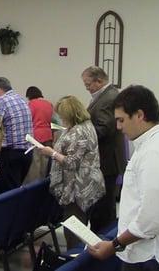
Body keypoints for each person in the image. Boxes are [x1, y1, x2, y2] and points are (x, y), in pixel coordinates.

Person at [88, 85, 159, 271]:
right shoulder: (156, 140)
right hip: (147, 251)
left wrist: (113, 246)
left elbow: (150, 220)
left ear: (140, 115)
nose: (118, 127)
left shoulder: (155, 152)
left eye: (121, 120)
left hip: (151, 255)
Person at [39, 95, 105, 249]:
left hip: (77, 188)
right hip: (86, 182)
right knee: (79, 225)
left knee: (73, 229)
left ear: (69, 114)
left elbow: (71, 163)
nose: (60, 118)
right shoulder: (87, 125)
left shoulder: (78, 132)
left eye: (62, 116)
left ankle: (75, 260)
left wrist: (52, 153)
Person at [81, 66, 125, 233]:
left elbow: (104, 128)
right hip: (106, 158)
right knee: (103, 206)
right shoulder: (105, 95)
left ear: (99, 81)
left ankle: (102, 242)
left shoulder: (108, 98)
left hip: (106, 160)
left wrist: (80, 134)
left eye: (88, 84)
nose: (87, 88)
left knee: (103, 209)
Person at [0, 77, 33, 193]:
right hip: (27, 153)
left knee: (6, 193)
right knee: (15, 190)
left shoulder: (2, 101)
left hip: (12, 154)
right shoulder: (21, 99)